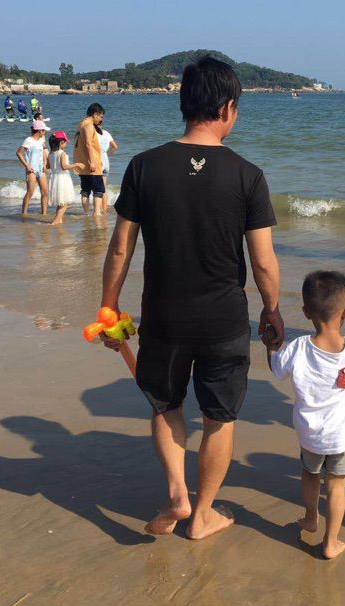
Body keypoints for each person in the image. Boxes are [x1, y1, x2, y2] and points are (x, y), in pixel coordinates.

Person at [99, 56, 283, 540]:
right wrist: (271, 309)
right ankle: (202, 515)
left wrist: (108, 307)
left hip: (164, 315)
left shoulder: (144, 166)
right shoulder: (248, 174)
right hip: (224, 319)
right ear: (227, 108)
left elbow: (120, 247)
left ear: (184, 104)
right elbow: (263, 261)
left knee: (166, 405)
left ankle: (177, 493)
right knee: (220, 417)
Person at [263, 271, 345, 559]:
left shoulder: (297, 348)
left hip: (311, 434)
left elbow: (277, 369)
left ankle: (310, 518)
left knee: (310, 474)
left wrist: (271, 346)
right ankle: (331, 541)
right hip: (344, 435)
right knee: (337, 486)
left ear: (306, 312)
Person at [73, 103, 105, 216]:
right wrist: (92, 162)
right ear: (95, 114)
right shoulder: (89, 125)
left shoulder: (81, 124)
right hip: (91, 163)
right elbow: (88, 144)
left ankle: (86, 213)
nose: (101, 119)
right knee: (98, 189)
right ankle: (96, 213)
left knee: (85, 189)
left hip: (82, 162)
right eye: (101, 116)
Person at [47, 131, 84, 225]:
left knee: (60, 202)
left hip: (54, 178)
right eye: (65, 142)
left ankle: (59, 220)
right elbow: (64, 167)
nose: (66, 143)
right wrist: (77, 164)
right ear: (61, 142)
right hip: (62, 179)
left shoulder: (50, 153)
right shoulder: (62, 153)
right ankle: (56, 221)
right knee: (65, 203)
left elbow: (48, 166)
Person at [16, 119, 50, 216]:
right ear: (39, 131)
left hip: (41, 169)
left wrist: (45, 163)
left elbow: (43, 153)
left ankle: (44, 214)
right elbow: (19, 153)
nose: (45, 132)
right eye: (44, 130)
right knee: (30, 192)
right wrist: (27, 165)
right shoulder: (28, 140)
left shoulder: (42, 140)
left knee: (45, 192)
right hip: (31, 170)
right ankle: (24, 213)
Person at [97, 124, 118, 214]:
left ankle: (99, 210)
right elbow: (115, 147)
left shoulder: (94, 134)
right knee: (103, 187)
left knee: (97, 188)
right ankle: (104, 209)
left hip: (98, 161)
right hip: (106, 161)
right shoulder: (106, 133)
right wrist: (107, 155)